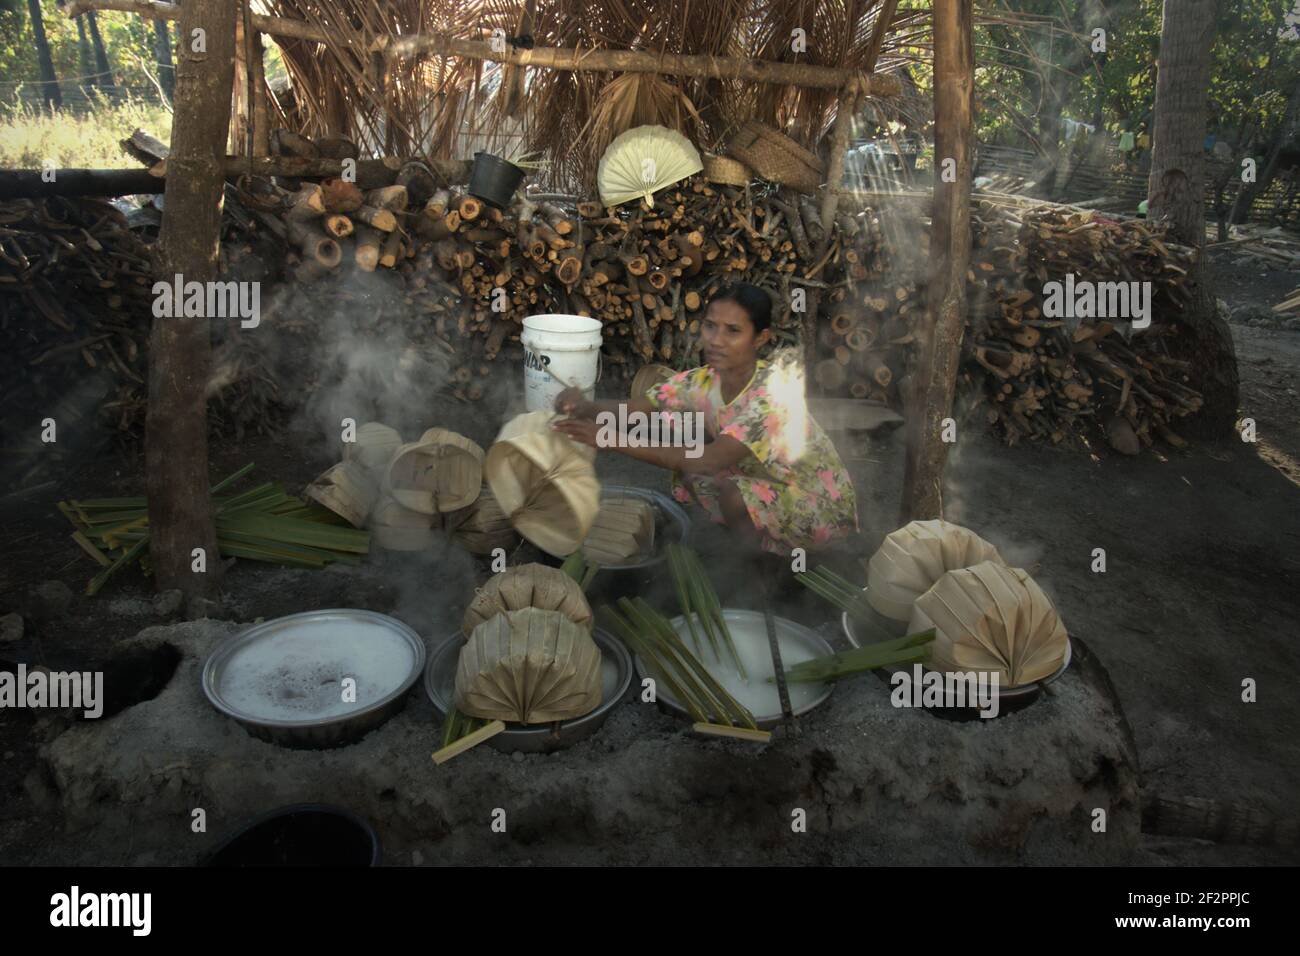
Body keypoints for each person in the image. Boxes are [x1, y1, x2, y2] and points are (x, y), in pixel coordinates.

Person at [552, 283, 858, 556]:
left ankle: (765, 569)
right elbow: (632, 410)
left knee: (726, 489)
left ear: (761, 338)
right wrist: (583, 407)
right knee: (692, 475)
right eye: (711, 327)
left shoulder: (772, 395)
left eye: (733, 331)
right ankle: (750, 545)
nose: (716, 340)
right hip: (763, 479)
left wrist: (609, 438)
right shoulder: (702, 381)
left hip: (815, 503)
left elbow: (708, 460)